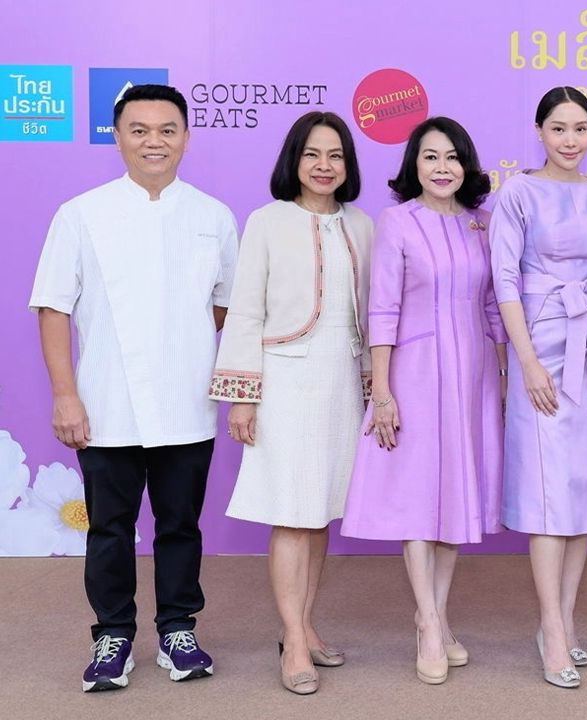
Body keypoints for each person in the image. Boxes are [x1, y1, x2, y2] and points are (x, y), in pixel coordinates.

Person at [29, 84, 236, 692]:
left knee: (181, 526)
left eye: (167, 129)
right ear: (117, 137)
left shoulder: (213, 216)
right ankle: (113, 636)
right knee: (109, 529)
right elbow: (52, 309)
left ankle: (178, 630)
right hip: (105, 404)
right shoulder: (81, 213)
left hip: (186, 403)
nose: (154, 141)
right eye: (139, 129)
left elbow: (224, 308)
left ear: (186, 138)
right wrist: (67, 395)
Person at [341, 117, 508, 686]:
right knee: (419, 499)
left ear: (467, 166)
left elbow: (493, 308)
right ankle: (431, 626)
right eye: (431, 157)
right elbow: (381, 310)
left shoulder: (481, 226)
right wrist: (381, 391)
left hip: (473, 375)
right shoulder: (397, 221)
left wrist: (504, 374)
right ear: (414, 165)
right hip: (412, 373)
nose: (442, 168)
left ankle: (432, 614)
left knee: (455, 501)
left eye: (452, 158)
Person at [210, 111, 372, 695]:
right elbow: (245, 309)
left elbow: (373, 316)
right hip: (284, 381)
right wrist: (242, 397)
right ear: (293, 161)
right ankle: (294, 642)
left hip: (341, 386)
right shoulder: (267, 221)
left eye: (336, 155)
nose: (324, 165)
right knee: (291, 514)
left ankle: (304, 625)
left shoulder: (363, 225)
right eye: (312, 154)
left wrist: (374, 383)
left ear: (348, 165)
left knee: (321, 510)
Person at [489, 86, 587, 689]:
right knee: (547, 497)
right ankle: (550, 628)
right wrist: (524, 363)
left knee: (580, 494)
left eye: (581, 128)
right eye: (559, 128)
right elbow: (504, 280)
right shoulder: (519, 192)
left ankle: (564, 620)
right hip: (541, 350)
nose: (571, 140)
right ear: (539, 131)